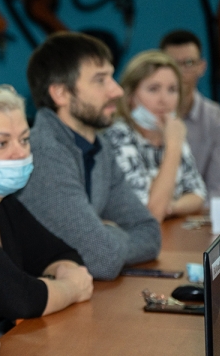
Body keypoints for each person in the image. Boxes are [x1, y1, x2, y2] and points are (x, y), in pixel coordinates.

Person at [0, 84, 93, 334]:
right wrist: (71, 288)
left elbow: (63, 254)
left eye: (24, 140)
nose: (20, 152)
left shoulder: (4, 203)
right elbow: (18, 299)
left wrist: (61, 276)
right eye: (1, 143)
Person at [18, 32, 161, 281]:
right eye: (100, 80)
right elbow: (102, 260)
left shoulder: (98, 146)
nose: (116, 90)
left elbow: (149, 233)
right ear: (61, 93)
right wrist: (108, 233)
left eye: (111, 77)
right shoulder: (43, 153)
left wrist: (105, 236)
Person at [104, 50, 207, 222]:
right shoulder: (117, 136)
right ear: (130, 96)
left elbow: (198, 194)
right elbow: (151, 213)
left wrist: (170, 206)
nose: (164, 100)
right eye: (153, 89)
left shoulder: (170, 131)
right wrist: (173, 146)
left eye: (172, 90)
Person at [160, 30, 220, 203]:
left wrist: (179, 209)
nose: (180, 71)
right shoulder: (141, 118)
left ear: (202, 67)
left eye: (188, 63)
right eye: (172, 63)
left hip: (197, 215)